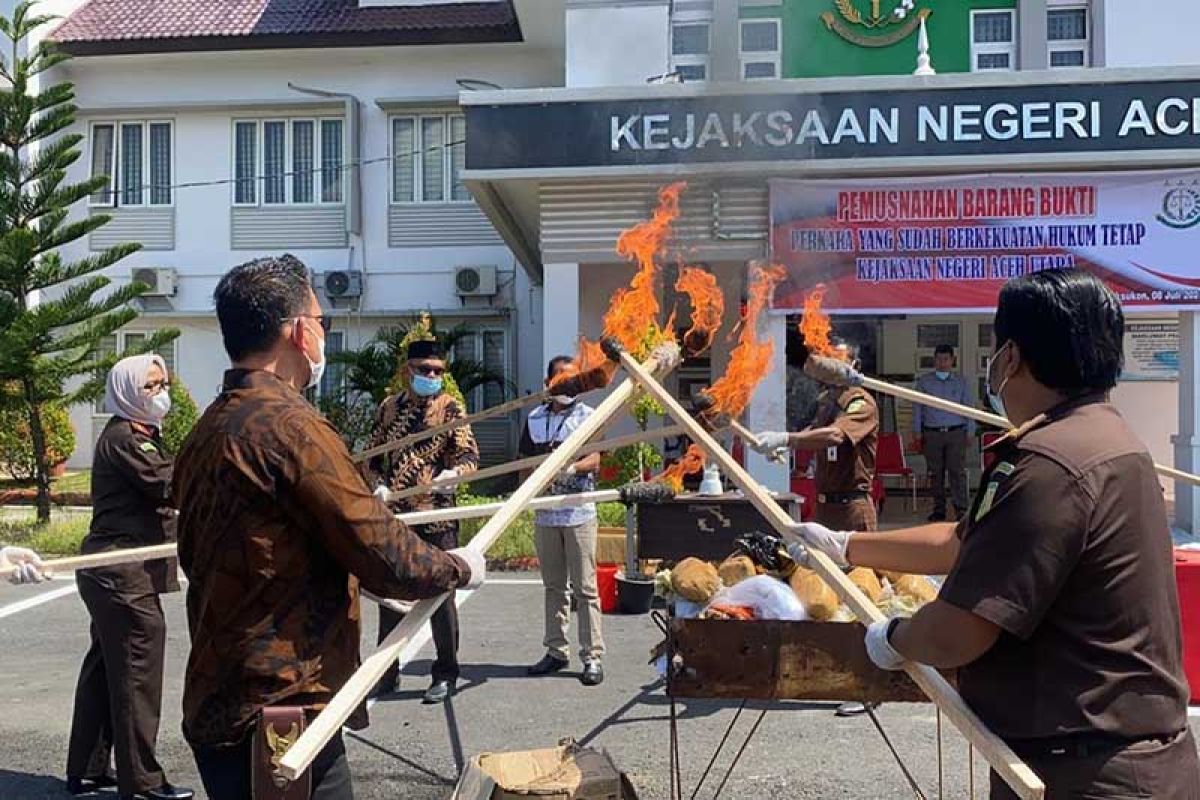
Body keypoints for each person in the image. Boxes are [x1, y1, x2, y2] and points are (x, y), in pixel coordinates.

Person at [788, 269, 1200, 798]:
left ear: (1011, 357)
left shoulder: (1048, 463)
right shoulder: (1109, 440)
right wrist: (844, 545)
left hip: (1086, 773)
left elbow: (955, 634)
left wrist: (892, 639)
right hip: (1133, 761)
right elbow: (965, 542)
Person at [174, 255, 484, 799]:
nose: (322, 334)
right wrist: (457, 568)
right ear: (297, 331)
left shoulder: (209, 426)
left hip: (216, 696)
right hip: (280, 708)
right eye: (321, 322)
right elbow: (381, 551)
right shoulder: (291, 427)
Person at [65, 355, 192, 800]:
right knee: (138, 669)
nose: (160, 394)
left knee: (106, 670)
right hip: (121, 572)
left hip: (112, 572)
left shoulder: (139, 434)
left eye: (162, 383)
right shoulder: (124, 438)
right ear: (125, 391)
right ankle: (142, 782)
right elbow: (171, 483)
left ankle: (87, 770)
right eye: (150, 386)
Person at [363, 338, 479, 704]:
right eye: (425, 370)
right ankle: (386, 673)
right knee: (389, 595)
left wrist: (454, 473)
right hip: (395, 517)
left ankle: (445, 673)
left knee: (440, 596)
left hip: (438, 517)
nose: (432, 376)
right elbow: (373, 457)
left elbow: (470, 455)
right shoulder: (388, 408)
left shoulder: (450, 408)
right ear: (407, 371)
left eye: (438, 371)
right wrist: (378, 484)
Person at [519, 356, 605, 686]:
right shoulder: (535, 417)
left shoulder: (587, 417)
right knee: (554, 586)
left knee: (586, 587)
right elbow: (524, 460)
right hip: (546, 513)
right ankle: (556, 650)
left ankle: (592, 656)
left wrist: (571, 468)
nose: (568, 387)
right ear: (548, 384)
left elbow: (596, 458)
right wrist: (533, 480)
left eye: (574, 381)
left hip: (578, 511)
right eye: (561, 380)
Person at [752, 342, 879, 531]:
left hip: (851, 507)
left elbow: (836, 434)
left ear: (855, 366)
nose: (832, 365)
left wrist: (786, 438)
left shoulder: (861, 403)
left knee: (856, 561)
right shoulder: (826, 400)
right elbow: (816, 428)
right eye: (829, 359)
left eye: (839, 360)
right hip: (824, 507)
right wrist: (787, 447)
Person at [912, 344, 974, 521]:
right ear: (934, 360)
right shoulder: (924, 382)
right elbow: (918, 408)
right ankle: (939, 510)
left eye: (946, 359)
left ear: (952, 360)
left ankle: (961, 510)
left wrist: (970, 430)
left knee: (957, 472)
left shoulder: (961, 381)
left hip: (956, 433)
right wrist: (917, 431)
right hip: (932, 433)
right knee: (935, 473)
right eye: (939, 359)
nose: (942, 363)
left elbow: (968, 407)